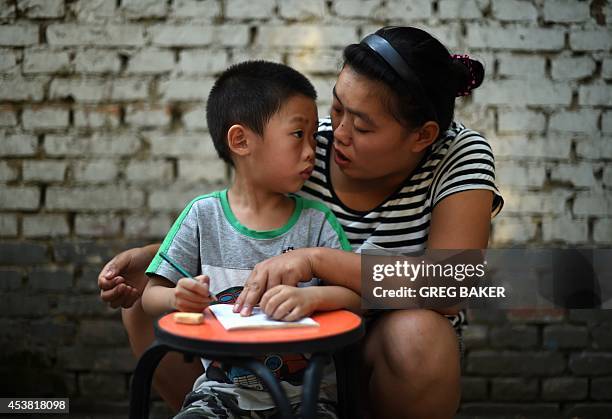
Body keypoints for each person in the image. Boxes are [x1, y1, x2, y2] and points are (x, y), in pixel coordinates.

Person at [99, 26, 503, 419]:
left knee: (418, 334)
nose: (337, 133)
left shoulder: (458, 154)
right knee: (143, 298)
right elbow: (241, 225)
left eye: (361, 125)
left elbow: (453, 283)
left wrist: (315, 262)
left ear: (422, 136)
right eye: (337, 107)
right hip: (283, 339)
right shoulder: (306, 146)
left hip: (381, 349)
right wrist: (154, 257)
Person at [141, 60, 359, 418]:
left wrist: (313, 298)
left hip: (307, 396)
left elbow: (355, 299)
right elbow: (150, 297)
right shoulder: (202, 216)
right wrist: (177, 297)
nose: (312, 150)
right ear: (241, 141)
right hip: (218, 392)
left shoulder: (317, 222)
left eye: (312, 138)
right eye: (297, 135)